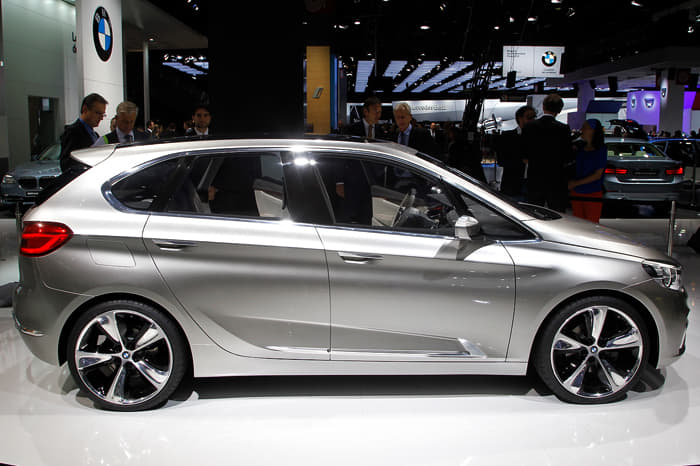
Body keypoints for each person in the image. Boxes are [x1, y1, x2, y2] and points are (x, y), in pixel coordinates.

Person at [522, 93, 574, 212]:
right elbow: (568, 155)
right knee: (557, 212)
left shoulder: (530, 126)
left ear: (543, 107)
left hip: (535, 176)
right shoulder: (563, 129)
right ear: (559, 110)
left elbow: (523, 152)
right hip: (556, 178)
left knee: (534, 211)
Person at [568, 119, 607, 223]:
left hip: (592, 192)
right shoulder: (579, 148)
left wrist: (575, 183)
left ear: (593, 131)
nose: (582, 130)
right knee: (578, 224)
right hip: (577, 192)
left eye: (585, 128)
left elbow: (597, 175)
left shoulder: (601, 150)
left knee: (591, 224)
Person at [59, 93, 108, 171]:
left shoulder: (95, 135)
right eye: (98, 113)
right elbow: (66, 164)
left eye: (103, 114)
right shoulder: (73, 132)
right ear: (85, 110)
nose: (101, 118)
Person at [496, 105, 536, 198]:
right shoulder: (507, 137)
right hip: (512, 184)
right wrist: (521, 161)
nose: (532, 120)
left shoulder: (538, 137)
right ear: (520, 119)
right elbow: (501, 160)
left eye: (534, 117)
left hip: (533, 185)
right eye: (529, 117)